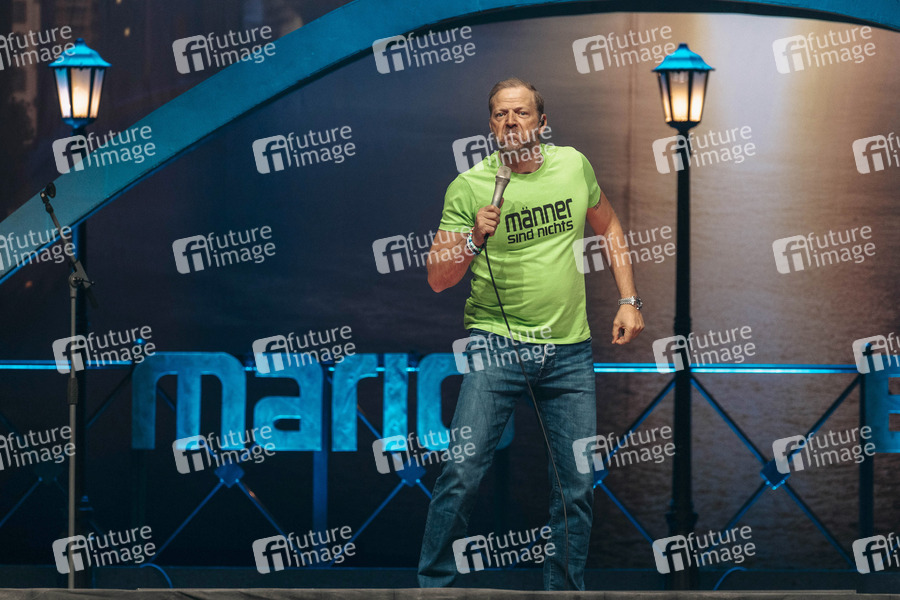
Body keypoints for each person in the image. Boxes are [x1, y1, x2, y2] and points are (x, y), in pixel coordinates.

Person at [417, 77, 644, 591]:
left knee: (576, 484)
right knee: (461, 473)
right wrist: (473, 238)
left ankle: (563, 592)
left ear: (542, 123)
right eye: (501, 114)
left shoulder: (573, 165)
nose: (511, 122)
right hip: (496, 346)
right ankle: (433, 589)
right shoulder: (470, 186)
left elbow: (609, 227)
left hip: (569, 352)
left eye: (521, 112)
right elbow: (438, 278)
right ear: (491, 127)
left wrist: (629, 299)